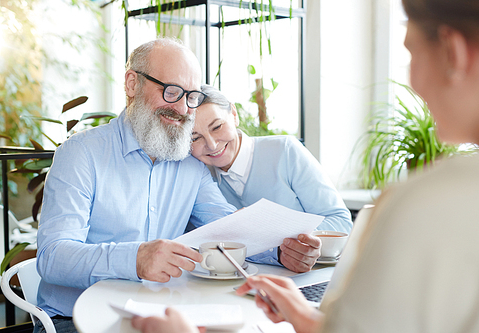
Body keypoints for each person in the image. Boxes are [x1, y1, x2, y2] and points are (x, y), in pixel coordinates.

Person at [132, 0, 479, 331]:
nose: (411, 80)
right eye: (194, 138)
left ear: (454, 53)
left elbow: (341, 227)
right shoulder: (195, 176)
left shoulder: (427, 202)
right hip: (262, 292)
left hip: (310, 280)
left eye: (410, 53)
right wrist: (305, 318)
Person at [34, 38, 237, 333]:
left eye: (191, 96)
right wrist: (135, 259)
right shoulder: (81, 153)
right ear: (132, 84)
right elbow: (53, 257)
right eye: (171, 91)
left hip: (159, 314)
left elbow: (231, 229)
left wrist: (282, 250)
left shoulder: (190, 164)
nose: (182, 108)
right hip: (73, 321)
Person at [190, 84, 352, 272]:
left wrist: (289, 242)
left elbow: (340, 220)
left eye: (217, 127)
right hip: (247, 285)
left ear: (233, 114)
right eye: (195, 138)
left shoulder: (285, 151)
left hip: (312, 277)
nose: (211, 144)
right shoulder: (200, 178)